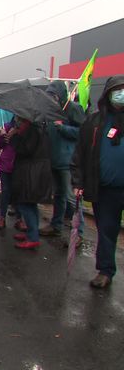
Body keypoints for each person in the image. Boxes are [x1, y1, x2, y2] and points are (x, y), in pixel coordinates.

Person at [72, 75, 124, 288]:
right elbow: (80, 154)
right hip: (104, 190)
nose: (121, 94)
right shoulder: (94, 122)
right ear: (108, 93)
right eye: (117, 90)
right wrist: (78, 181)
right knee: (106, 230)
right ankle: (105, 270)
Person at [39, 81, 85, 246]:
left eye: (54, 95)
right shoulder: (51, 111)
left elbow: (82, 132)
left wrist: (63, 128)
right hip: (54, 160)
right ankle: (56, 225)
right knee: (58, 195)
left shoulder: (74, 109)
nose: (52, 99)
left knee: (72, 199)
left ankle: (78, 233)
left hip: (68, 162)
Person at [10, 117, 52, 250]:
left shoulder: (33, 130)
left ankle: (33, 236)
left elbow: (25, 149)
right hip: (33, 171)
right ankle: (31, 232)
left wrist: (13, 137)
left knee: (25, 203)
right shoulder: (37, 128)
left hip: (31, 173)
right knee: (30, 204)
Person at [0, 118, 27, 231]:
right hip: (6, 164)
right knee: (5, 191)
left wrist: (17, 134)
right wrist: (2, 136)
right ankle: (2, 217)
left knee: (18, 191)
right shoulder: (7, 126)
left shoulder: (27, 130)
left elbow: (28, 146)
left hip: (20, 165)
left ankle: (19, 218)